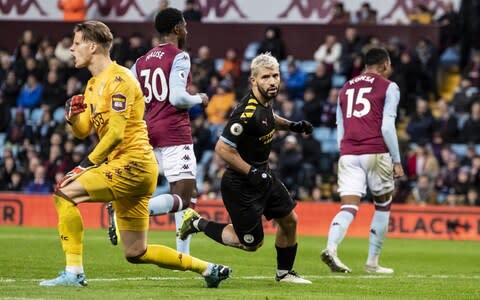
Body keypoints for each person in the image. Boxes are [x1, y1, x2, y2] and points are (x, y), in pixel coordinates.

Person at [39, 20, 230, 288]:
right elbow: (84, 132)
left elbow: (116, 134)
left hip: (133, 163)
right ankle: (209, 269)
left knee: (63, 193)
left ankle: (74, 273)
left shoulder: (121, 79)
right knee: (136, 252)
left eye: (77, 43)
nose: (71, 49)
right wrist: (73, 119)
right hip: (132, 167)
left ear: (92, 46)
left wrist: (85, 165)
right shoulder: (93, 85)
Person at [178, 53, 313, 284]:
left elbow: (269, 118)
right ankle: (196, 223)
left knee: (290, 220)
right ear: (253, 80)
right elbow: (222, 148)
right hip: (241, 184)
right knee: (251, 244)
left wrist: (292, 126)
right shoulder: (246, 112)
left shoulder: (265, 103)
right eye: (266, 77)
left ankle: (284, 273)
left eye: (275, 76)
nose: (272, 81)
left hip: (263, 175)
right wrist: (251, 171)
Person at [112, 7, 208, 255]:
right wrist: (200, 98)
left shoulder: (141, 61)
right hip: (174, 133)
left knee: (189, 194)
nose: (186, 30)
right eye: (185, 25)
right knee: (184, 198)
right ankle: (125, 212)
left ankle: (183, 256)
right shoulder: (180, 56)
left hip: (149, 132)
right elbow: (177, 98)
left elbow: (128, 94)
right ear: (177, 28)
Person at [320, 47, 404, 274]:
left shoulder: (345, 88)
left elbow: (341, 127)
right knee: (383, 205)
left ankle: (331, 247)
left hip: (348, 152)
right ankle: (372, 262)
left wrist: (344, 151)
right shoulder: (389, 87)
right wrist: (396, 160)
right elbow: (387, 126)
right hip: (375, 151)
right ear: (385, 64)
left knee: (348, 206)